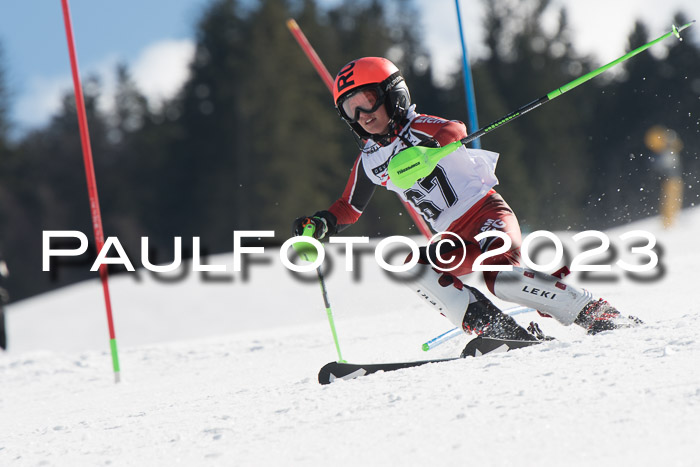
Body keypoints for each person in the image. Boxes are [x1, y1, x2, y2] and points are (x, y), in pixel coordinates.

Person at [292, 57, 640, 342]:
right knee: (411, 266)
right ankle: (501, 332)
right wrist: (322, 222)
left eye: (366, 101)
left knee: (501, 277)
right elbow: (348, 208)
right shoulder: (369, 160)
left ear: (392, 95)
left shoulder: (417, 127)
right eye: (350, 109)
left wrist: (428, 152)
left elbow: (453, 130)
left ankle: (595, 313)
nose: (361, 116)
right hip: (451, 238)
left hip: (487, 213)